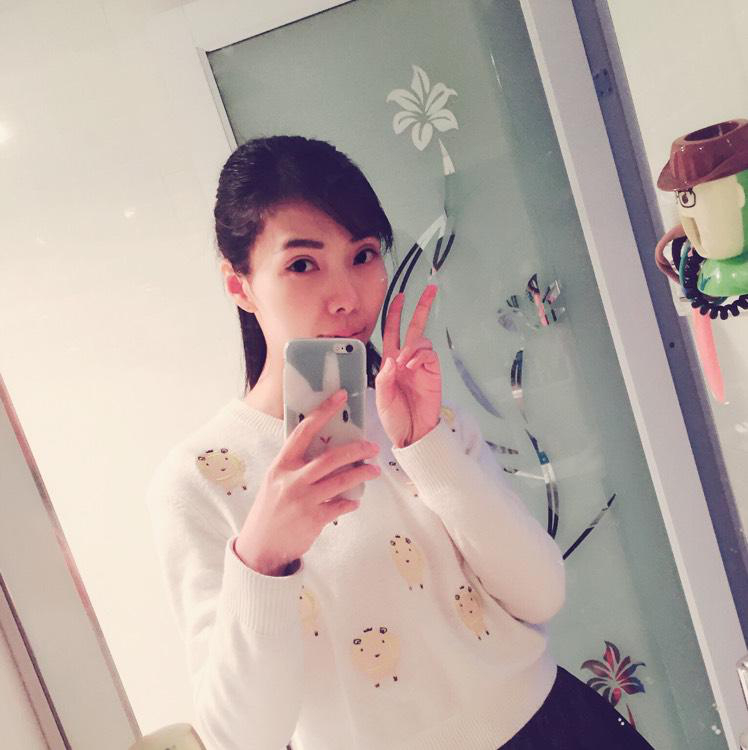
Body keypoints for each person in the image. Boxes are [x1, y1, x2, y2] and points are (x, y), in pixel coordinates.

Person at [146, 135, 656, 750]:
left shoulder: (414, 416)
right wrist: (263, 558)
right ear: (239, 284)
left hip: (558, 728)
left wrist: (427, 447)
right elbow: (242, 739)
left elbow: (540, 595)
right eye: (302, 264)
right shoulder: (199, 481)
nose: (347, 297)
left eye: (363, 255)